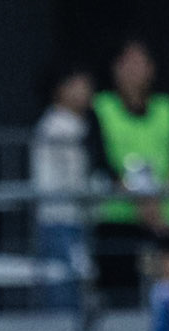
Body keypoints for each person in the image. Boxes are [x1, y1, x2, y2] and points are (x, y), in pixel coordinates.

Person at [92, 39, 169, 307]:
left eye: (140, 62)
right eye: (127, 62)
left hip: (166, 218)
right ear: (115, 68)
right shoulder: (101, 107)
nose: (134, 70)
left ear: (152, 68)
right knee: (122, 296)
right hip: (119, 216)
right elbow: (98, 160)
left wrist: (158, 201)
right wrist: (137, 198)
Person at [30, 65, 101, 310]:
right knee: (62, 286)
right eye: (80, 86)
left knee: (75, 283)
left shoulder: (73, 125)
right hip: (59, 219)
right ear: (62, 89)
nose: (87, 92)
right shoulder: (57, 126)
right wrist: (97, 188)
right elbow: (74, 180)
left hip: (72, 218)